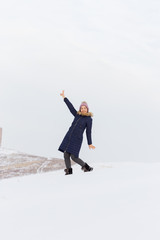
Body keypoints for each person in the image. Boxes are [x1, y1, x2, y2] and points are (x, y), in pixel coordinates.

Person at [58, 90, 96, 175]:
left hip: (77, 139)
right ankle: (69, 170)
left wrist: (90, 143)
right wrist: (64, 97)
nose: (83, 109)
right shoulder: (77, 115)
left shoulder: (88, 119)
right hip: (69, 136)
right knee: (66, 154)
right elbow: (70, 107)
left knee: (74, 157)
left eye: (84, 108)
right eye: (82, 108)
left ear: (87, 109)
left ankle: (86, 167)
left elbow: (88, 132)